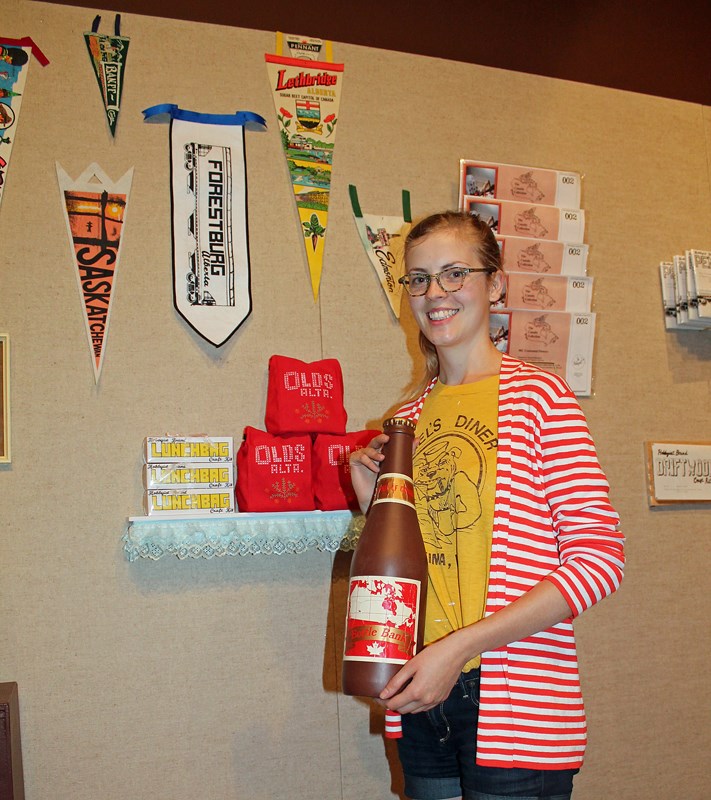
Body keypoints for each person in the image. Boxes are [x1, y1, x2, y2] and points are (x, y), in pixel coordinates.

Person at [349, 210, 625, 800]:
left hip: (517, 704)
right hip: (424, 691)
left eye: (455, 273)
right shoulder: (409, 420)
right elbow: (412, 566)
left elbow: (599, 560)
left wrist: (460, 649)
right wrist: (371, 497)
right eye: (418, 279)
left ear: (495, 284)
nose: (435, 294)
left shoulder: (540, 399)